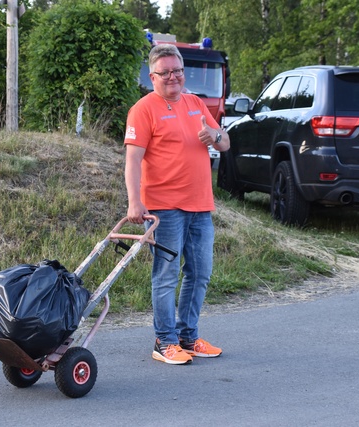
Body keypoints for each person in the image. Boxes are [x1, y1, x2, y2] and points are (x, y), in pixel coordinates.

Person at [124, 44, 230, 365]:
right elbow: (133, 160)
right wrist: (134, 202)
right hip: (163, 208)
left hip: (200, 205)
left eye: (178, 71)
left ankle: (188, 336)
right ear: (153, 76)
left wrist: (214, 135)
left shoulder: (196, 102)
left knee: (200, 273)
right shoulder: (143, 110)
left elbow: (224, 142)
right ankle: (165, 341)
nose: (173, 77)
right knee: (166, 275)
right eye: (165, 72)